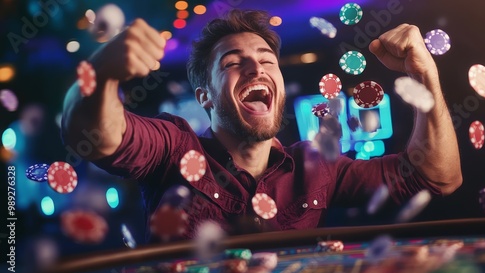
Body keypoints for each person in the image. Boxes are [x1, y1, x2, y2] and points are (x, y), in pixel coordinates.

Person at [61, 9, 462, 242]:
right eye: (233, 62)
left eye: (267, 61)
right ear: (205, 97)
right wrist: (101, 72)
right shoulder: (173, 147)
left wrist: (424, 74)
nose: (256, 66)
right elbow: (92, 137)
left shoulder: (318, 167)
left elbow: (439, 177)